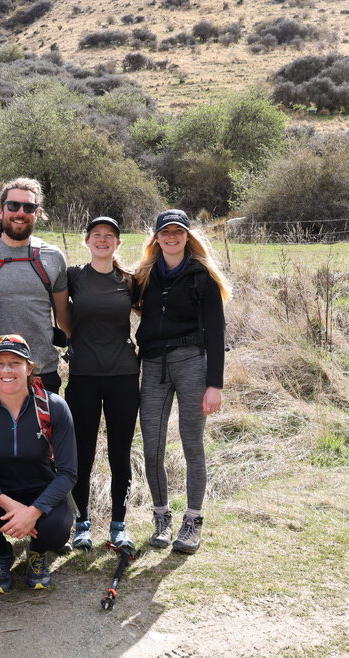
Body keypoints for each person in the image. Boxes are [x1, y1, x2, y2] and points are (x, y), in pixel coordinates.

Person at [132, 209, 230, 555]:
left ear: (187, 236)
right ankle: (161, 517)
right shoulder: (143, 275)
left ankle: (192, 521)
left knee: (192, 444)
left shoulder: (201, 275)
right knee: (152, 445)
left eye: (178, 232)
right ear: (156, 238)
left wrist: (214, 384)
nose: (172, 237)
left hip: (192, 363)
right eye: (165, 232)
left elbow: (217, 334)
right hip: (154, 365)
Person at [0, 334, 77, 592]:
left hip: (42, 491)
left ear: (29, 367)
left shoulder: (53, 406)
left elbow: (67, 472)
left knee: (57, 528)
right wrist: (12, 507)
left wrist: (33, 512)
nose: (7, 370)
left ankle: (37, 552)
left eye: (15, 362)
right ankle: (2, 553)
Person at [64, 216, 140, 551]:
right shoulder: (74, 276)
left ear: (118, 243)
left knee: (120, 454)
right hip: (83, 375)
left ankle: (118, 524)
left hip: (123, 375)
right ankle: (82, 523)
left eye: (110, 236)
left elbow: (153, 316)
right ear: (87, 240)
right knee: (82, 452)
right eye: (97, 235)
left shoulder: (131, 280)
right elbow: (56, 313)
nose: (103, 240)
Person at [0, 178, 70, 393]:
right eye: (13, 205)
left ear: (37, 212)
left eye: (29, 207)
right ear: (1, 211)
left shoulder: (53, 256)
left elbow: (63, 313)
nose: (20, 212)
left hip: (43, 371)